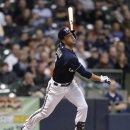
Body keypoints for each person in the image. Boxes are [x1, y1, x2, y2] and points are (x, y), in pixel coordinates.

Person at [21, 27, 111, 130]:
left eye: (72, 35)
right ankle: (27, 126)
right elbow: (85, 74)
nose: (72, 37)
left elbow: (69, 39)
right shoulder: (69, 57)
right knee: (45, 112)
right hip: (56, 88)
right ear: (63, 40)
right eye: (69, 36)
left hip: (70, 84)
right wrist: (101, 79)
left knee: (83, 106)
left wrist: (70, 34)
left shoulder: (61, 46)